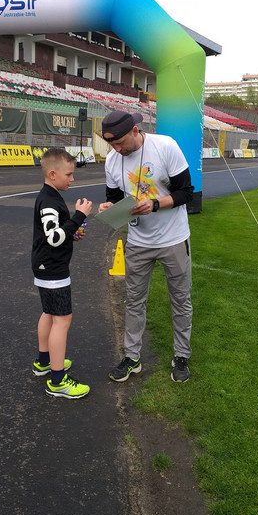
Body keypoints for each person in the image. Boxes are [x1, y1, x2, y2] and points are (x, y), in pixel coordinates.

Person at [98, 110, 194, 383]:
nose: (117, 150)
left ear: (135, 130)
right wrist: (109, 208)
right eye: (112, 145)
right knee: (134, 301)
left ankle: (182, 356)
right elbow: (115, 198)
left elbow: (186, 192)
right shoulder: (112, 160)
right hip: (138, 242)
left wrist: (154, 204)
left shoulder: (165, 146)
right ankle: (132, 357)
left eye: (120, 143)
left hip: (174, 238)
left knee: (181, 300)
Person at [31, 148, 93, 399]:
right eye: (68, 174)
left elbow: (58, 233)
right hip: (52, 268)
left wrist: (73, 232)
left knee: (49, 313)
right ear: (53, 174)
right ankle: (57, 380)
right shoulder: (49, 200)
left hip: (46, 265)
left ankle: (44, 362)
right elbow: (54, 238)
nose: (72, 179)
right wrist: (79, 217)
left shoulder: (51, 196)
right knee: (62, 320)